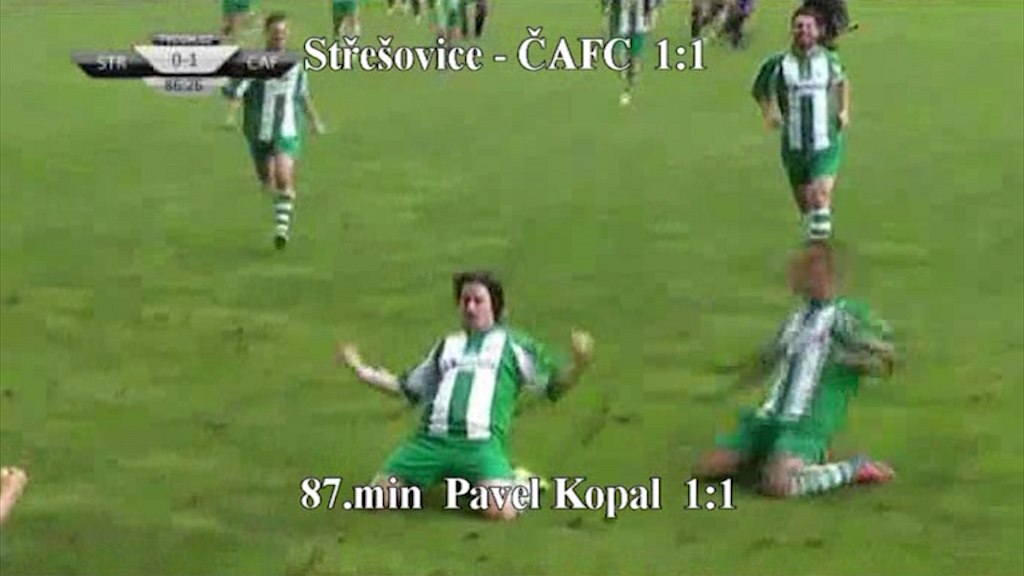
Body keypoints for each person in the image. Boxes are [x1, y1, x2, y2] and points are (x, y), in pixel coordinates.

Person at [337, 271, 595, 520]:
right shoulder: (447, 345)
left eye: (478, 301)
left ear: (495, 307)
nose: (470, 308)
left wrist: (579, 364)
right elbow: (407, 388)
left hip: (480, 446)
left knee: (500, 513)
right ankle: (450, 479)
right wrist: (361, 370)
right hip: (429, 443)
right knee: (374, 500)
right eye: (465, 300)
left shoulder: (514, 345)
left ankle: (521, 482)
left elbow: (554, 386)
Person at [693, 242, 896, 498]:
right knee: (707, 469)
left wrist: (856, 361)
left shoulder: (843, 317)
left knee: (779, 486)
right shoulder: (797, 318)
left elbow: (885, 358)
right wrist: (729, 384)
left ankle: (853, 468)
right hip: (769, 417)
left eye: (803, 268)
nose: (793, 272)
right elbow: (769, 358)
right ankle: (784, 460)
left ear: (824, 275)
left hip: (807, 423)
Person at [223, 12, 326, 250]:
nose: (280, 36)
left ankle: (281, 231)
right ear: (266, 33)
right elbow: (238, 92)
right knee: (267, 180)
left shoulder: (295, 63)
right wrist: (230, 116)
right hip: (257, 130)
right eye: (275, 32)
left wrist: (314, 121)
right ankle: (272, 190)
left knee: (283, 175)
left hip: (287, 130)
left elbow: (302, 94)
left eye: (283, 31)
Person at [751, 5, 850, 241]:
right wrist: (769, 113)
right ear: (791, 30)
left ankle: (820, 250)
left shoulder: (829, 60)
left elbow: (842, 82)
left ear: (818, 31)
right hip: (794, 145)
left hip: (826, 142)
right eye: (798, 26)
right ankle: (814, 243)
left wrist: (844, 111)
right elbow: (759, 90)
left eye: (808, 26)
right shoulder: (778, 64)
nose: (803, 30)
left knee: (820, 195)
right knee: (806, 205)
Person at [610, 0, 651, 106]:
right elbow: (613, 8)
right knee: (621, 60)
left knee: (635, 60)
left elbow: (649, 7)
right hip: (623, 29)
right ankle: (625, 86)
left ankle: (629, 87)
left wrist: (648, 19)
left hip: (638, 29)